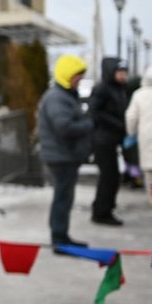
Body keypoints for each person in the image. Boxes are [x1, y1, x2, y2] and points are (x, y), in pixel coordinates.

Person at [37, 54, 93, 250]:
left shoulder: (66, 96)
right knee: (62, 198)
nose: (80, 81)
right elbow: (64, 127)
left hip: (66, 155)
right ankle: (59, 239)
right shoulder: (57, 98)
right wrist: (88, 123)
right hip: (61, 157)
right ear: (66, 75)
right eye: (77, 76)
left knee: (64, 197)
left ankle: (61, 236)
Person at [88, 58, 129, 225]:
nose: (123, 76)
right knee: (109, 176)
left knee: (112, 177)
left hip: (113, 139)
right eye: (119, 72)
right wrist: (118, 124)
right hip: (103, 140)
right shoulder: (102, 89)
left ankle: (105, 207)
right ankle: (101, 212)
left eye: (124, 72)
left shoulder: (119, 89)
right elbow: (95, 112)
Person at [125, 63, 152, 202]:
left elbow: (131, 117)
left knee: (150, 170)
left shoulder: (139, 94)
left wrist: (131, 132)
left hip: (147, 136)